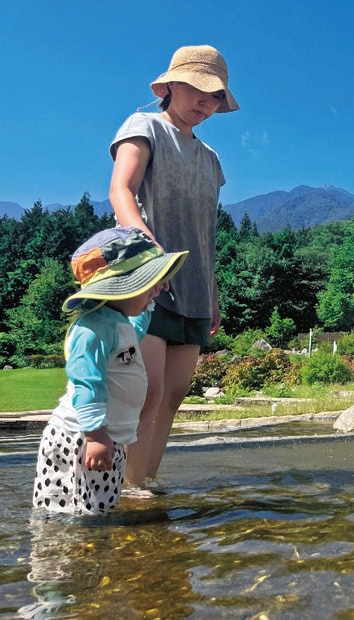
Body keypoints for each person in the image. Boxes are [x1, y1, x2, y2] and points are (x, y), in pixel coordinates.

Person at [108, 44, 239, 488]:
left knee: (175, 395)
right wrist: (148, 250)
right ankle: (125, 487)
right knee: (147, 390)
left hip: (196, 285)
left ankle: (144, 482)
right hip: (145, 276)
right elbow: (121, 192)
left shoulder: (211, 160)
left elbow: (206, 234)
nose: (207, 101)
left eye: (216, 95)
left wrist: (213, 292)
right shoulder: (143, 126)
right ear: (170, 86)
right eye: (200, 89)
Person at [32, 227, 187, 515]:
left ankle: (96, 556)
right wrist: (95, 436)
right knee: (70, 513)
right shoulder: (91, 329)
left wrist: (150, 297)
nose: (156, 289)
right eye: (148, 282)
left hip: (107, 439)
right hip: (79, 439)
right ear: (120, 286)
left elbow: (137, 328)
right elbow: (87, 384)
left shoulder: (118, 323)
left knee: (101, 510)